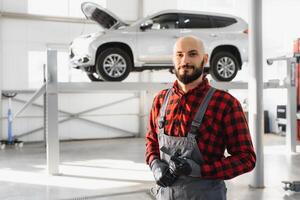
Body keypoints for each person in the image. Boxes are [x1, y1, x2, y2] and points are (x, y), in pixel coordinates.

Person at [145, 35, 256, 200]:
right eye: (180, 54)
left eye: (192, 54)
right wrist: (155, 165)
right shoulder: (160, 100)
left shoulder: (225, 103)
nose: (185, 60)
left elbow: (246, 158)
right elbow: (152, 141)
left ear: (204, 59)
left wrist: (200, 170)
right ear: (173, 59)